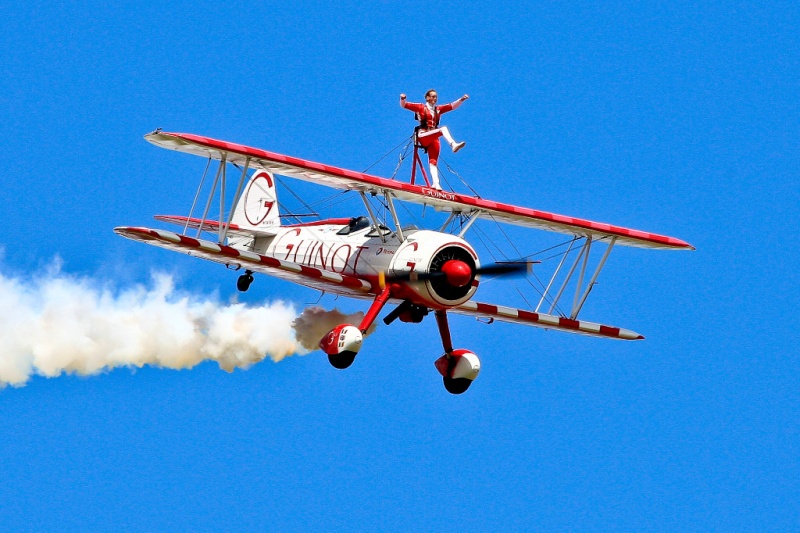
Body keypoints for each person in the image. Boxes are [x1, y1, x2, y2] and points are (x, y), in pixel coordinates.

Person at [400, 90, 469, 190]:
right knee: (443, 129)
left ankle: (436, 184)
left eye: (436, 97)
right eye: (432, 96)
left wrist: (461, 99)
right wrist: (403, 99)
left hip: (434, 137)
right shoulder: (420, 107)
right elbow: (404, 105)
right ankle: (453, 144)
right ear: (427, 98)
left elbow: (451, 106)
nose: (435, 99)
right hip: (423, 135)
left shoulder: (438, 109)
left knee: (433, 161)